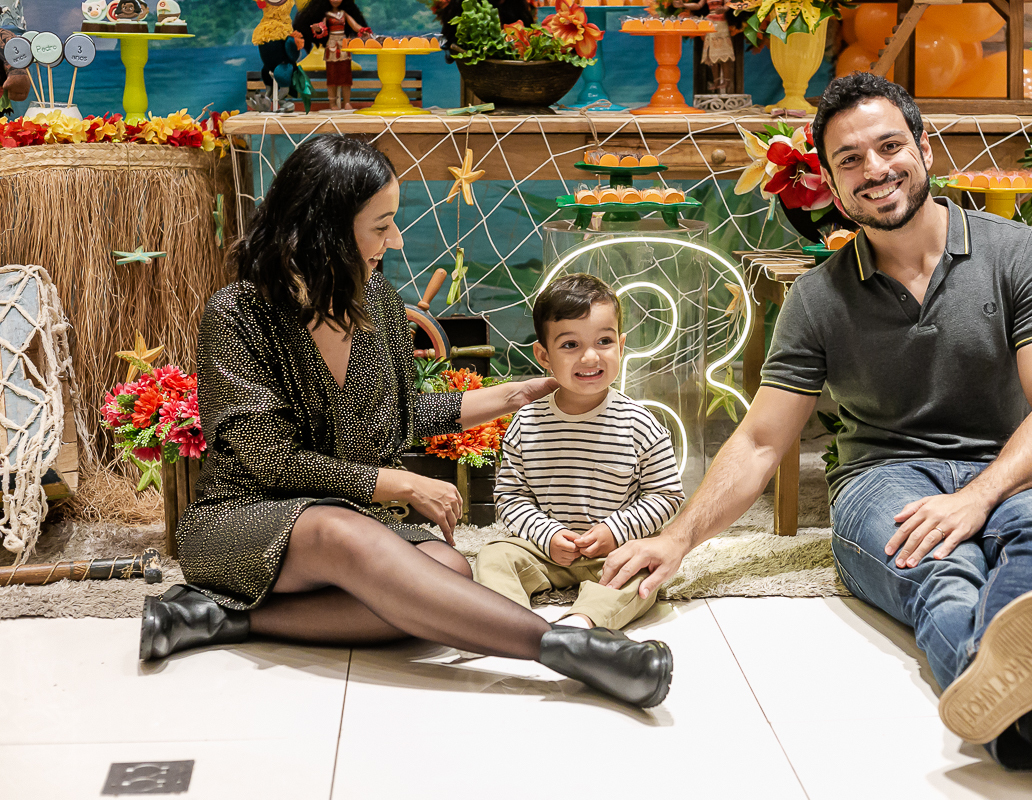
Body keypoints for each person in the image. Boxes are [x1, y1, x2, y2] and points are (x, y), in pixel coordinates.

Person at [600, 73, 1032, 790]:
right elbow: (759, 442)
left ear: (925, 149)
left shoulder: (1018, 253)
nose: (875, 169)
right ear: (833, 187)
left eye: (889, 146)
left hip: (1007, 465)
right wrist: (678, 537)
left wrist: (976, 498)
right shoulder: (817, 300)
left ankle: (1019, 719)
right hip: (883, 478)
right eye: (850, 159)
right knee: (942, 570)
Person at [139, 135, 673, 710]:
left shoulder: (380, 304)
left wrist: (515, 394)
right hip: (242, 520)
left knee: (446, 568)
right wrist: (394, 483)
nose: (394, 240)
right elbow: (265, 457)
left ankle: (221, 618)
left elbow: (403, 417)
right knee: (342, 535)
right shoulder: (238, 312)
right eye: (381, 225)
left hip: (351, 520)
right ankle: (568, 649)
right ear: (325, 227)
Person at [475, 274, 685, 631]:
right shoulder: (527, 423)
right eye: (570, 345)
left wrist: (615, 531)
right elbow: (510, 497)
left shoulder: (640, 423)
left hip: (615, 551)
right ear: (544, 355)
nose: (590, 356)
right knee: (492, 556)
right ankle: (508, 624)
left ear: (620, 347)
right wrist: (547, 535)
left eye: (603, 341)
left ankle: (582, 623)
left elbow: (666, 495)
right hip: (546, 551)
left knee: (644, 574)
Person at [293, 0, 370, 111]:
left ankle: (347, 102)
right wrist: (318, 29)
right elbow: (323, 29)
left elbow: (354, 25)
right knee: (332, 76)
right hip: (332, 45)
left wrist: (362, 30)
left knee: (346, 76)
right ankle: (332, 103)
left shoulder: (344, 14)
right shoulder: (327, 15)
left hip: (343, 46)